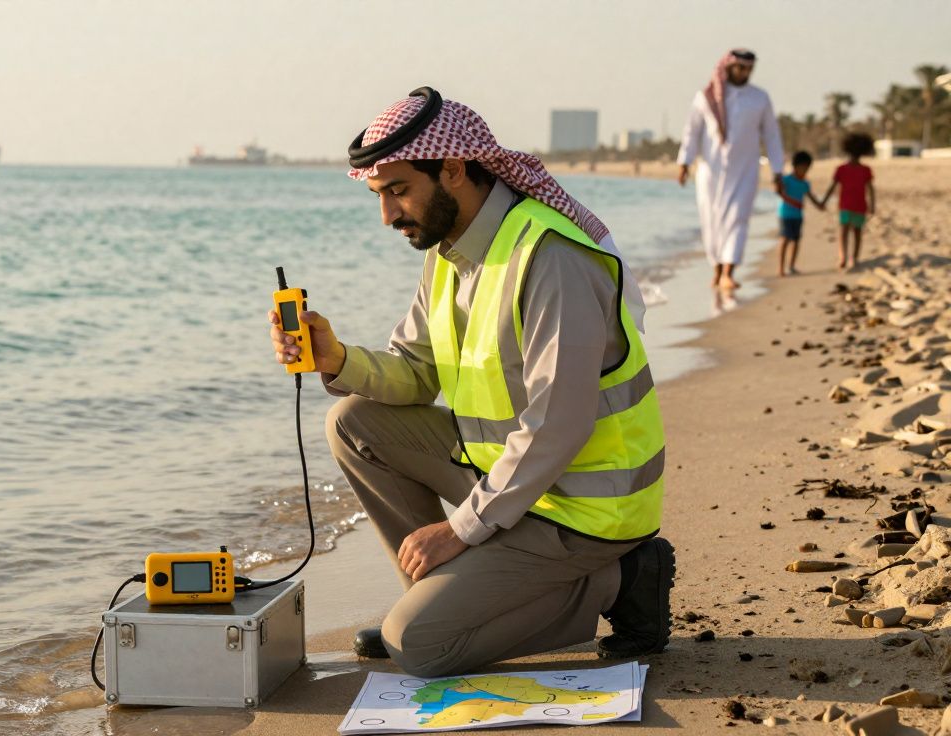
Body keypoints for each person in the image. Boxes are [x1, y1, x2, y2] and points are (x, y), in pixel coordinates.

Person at [266, 87, 672, 678]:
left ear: (453, 168)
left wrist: (461, 528)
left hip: (586, 510)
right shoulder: (450, 253)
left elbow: (557, 424)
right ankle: (442, 598)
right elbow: (414, 373)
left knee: (419, 648)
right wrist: (336, 359)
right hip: (516, 483)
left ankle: (624, 580)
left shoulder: (550, 256)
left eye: (398, 191)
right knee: (352, 421)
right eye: (380, 196)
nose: (387, 217)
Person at [677, 48, 785, 291]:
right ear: (728, 67)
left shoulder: (760, 98)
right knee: (711, 220)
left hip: (745, 171)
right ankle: (716, 269)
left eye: (749, 68)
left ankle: (729, 271)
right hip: (709, 172)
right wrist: (684, 162)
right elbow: (691, 131)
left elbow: (772, 135)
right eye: (740, 68)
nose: (745, 73)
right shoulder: (705, 98)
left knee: (738, 218)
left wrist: (778, 171)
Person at [820, 133, 877, 270]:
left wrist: (823, 202)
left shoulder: (864, 170)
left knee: (849, 231)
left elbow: (870, 189)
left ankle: (849, 258)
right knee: (850, 231)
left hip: (854, 206)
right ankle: (846, 258)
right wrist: (872, 205)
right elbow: (870, 190)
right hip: (849, 205)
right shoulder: (844, 169)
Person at [777, 151, 825, 276]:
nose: (804, 171)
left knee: (796, 240)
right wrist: (794, 203)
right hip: (786, 215)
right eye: (803, 168)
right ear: (795, 166)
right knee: (785, 240)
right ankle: (781, 268)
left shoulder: (805, 183)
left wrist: (819, 205)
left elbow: (810, 196)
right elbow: (780, 192)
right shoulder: (786, 179)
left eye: (807, 168)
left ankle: (792, 266)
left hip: (798, 216)